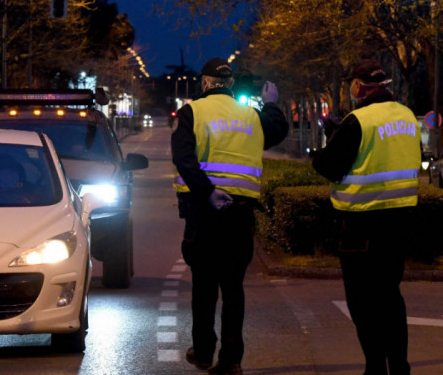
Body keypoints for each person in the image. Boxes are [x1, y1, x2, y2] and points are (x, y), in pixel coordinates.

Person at [171, 57, 288, 375]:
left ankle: (205, 353)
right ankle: (232, 360)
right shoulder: (251, 115)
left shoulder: (191, 112)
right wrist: (271, 104)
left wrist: (207, 192)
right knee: (234, 289)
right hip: (240, 214)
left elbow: (183, 159)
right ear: (232, 84)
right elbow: (277, 131)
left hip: (204, 212)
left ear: (205, 82)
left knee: (204, 287)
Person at [312, 59, 420, 375]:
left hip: (362, 224)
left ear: (360, 86)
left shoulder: (358, 120)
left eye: (352, 84)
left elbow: (329, 167)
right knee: (390, 296)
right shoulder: (408, 117)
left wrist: (331, 140)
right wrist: (341, 135)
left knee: (362, 302)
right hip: (399, 221)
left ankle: (375, 368)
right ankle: (400, 366)